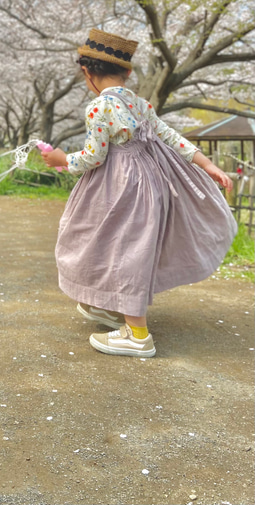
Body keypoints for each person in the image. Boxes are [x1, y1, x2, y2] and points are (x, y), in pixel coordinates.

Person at [41, 28, 237, 358]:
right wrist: (208, 165)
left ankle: (137, 335)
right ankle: (103, 305)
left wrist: (61, 159)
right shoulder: (140, 103)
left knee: (113, 247)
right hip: (150, 183)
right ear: (128, 72)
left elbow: (93, 156)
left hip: (117, 188)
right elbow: (172, 137)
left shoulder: (99, 106)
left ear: (86, 72)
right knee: (117, 245)